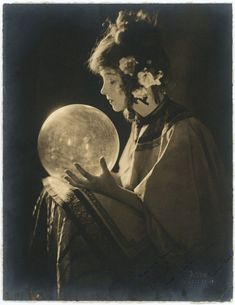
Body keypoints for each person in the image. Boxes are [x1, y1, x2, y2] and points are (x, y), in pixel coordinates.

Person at [31, 10, 232, 301]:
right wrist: (103, 183)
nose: (102, 90)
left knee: (76, 209)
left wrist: (109, 189)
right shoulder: (142, 125)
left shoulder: (182, 132)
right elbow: (132, 187)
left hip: (177, 271)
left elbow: (174, 229)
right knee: (61, 193)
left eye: (110, 80)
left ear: (137, 79)